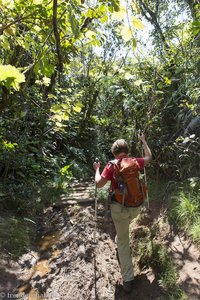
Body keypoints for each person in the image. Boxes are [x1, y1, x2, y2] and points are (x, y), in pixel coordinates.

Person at [93, 133, 152, 293]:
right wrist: (143, 141)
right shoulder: (135, 162)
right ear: (127, 150)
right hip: (136, 207)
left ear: (114, 152)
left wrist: (97, 169)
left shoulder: (111, 165)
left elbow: (99, 185)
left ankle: (128, 280)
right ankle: (122, 232)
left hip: (119, 209)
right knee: (125, 226)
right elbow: (149, 157)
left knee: (123, 243)